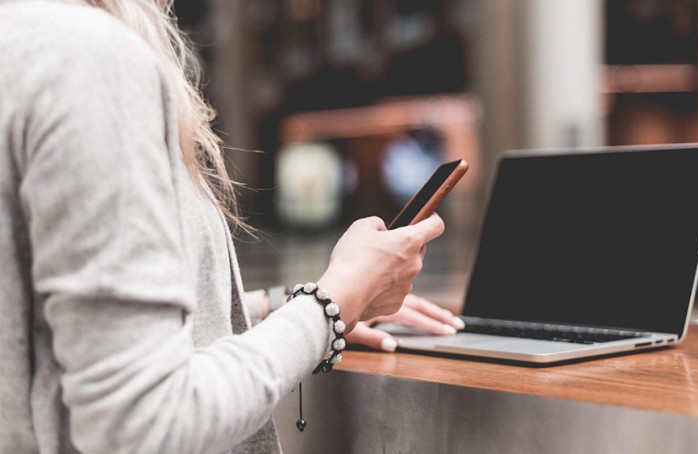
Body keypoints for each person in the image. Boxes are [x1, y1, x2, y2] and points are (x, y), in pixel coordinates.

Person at [0, 1, 464, 452]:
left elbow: (52, 330)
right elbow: (145, 425)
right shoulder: (90, 56)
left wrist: (282, 308)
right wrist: (331, 305)